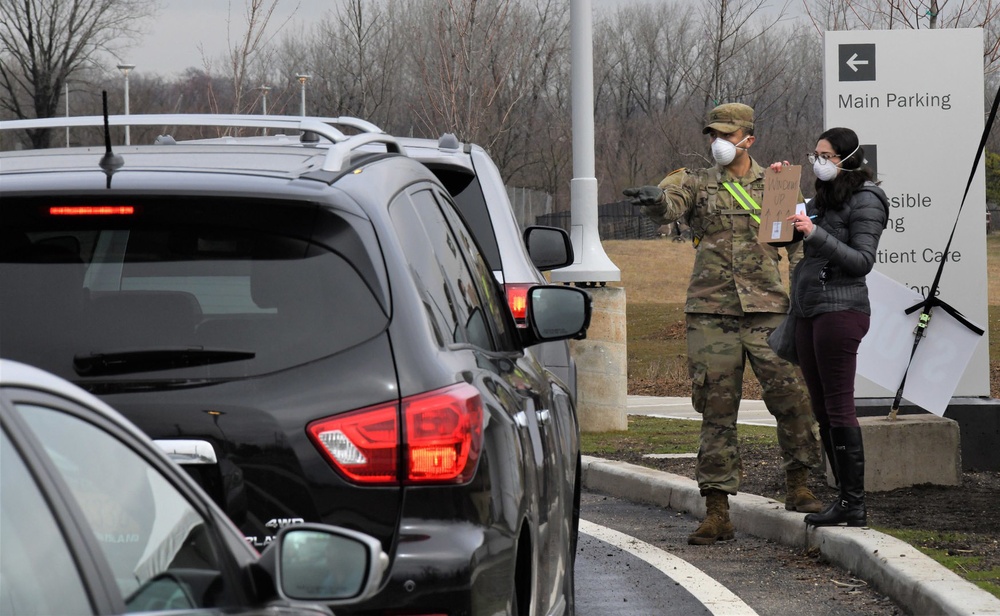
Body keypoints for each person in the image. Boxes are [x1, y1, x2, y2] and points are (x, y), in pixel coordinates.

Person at [623, 102, 824, 546]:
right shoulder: (696, 183)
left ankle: (800, 485)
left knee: (791, 398)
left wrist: (807, 295)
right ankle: (717, 511)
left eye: (727, 135)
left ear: (747, 139)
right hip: (711, 312)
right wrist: (656, 202)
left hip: (768, 310)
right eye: (712, 133)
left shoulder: (775, 184)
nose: (718, 142)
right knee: (716, 410)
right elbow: (671, 207)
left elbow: (795, 247)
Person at [771, 127, 888, 527]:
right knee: (822, 408)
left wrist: (815, 234)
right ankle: (842, 498)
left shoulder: (868, 198)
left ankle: (854, 503)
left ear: (847, 158)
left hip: (841, 310)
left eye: (826, 155)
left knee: (839, 406)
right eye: (815, 154)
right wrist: (780, 190)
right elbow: (776, 236)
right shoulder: (821, 197)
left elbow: (861, 261)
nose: (818, 161)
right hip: (807, 310)